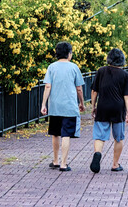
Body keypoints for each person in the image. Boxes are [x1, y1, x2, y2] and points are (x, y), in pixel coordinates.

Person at [41, 42, 85, 172]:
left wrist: (44, 104)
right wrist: (82, 103)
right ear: (69, 54)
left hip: (55, 106)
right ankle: (63, 164)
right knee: (66, 134)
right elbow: (79, 88)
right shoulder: (74, 67)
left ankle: (55, 161)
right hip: (69, 106)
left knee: (55, 133)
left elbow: (47, 86)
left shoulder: (51, 67)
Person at [89, 48, 128, 173]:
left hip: (103, 107)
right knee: (118, 137)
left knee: (99, 135)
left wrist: (93, 107)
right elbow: (127, 96)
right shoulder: (125, 75)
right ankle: (115, 164)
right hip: (118, 109)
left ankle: (97, 154)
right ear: (122, 60)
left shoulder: (101, 71)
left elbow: (94, 91)